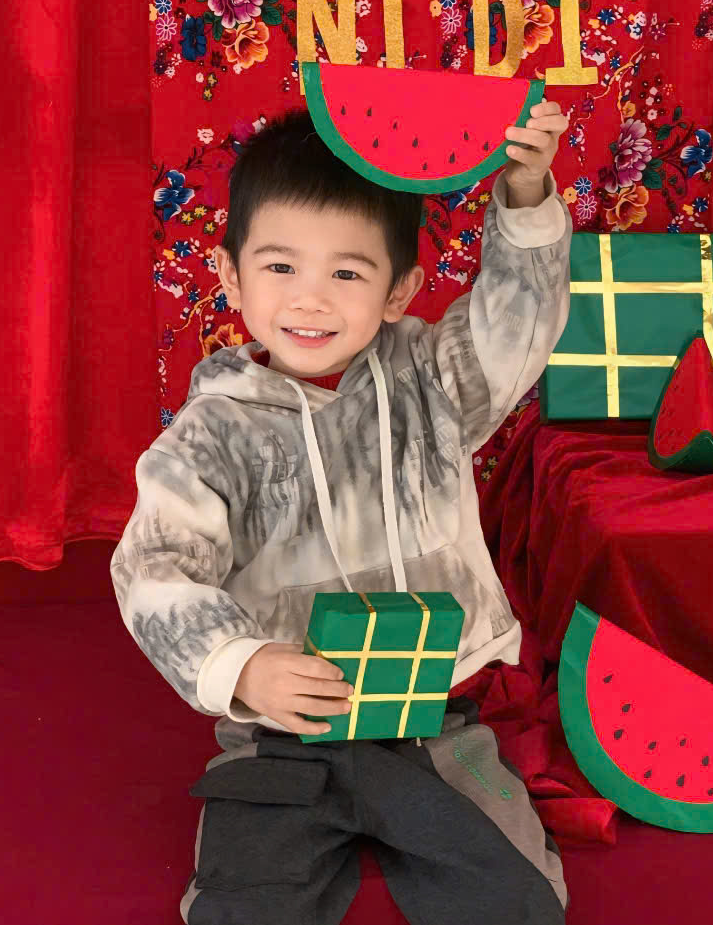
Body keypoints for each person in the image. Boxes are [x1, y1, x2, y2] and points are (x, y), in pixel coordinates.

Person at [111, 94, 573, 925]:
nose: (311, 300)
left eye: (347, 273)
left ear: (399, 290)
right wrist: (243, 664)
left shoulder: (435, 382)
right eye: (281, 267)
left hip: (437, 713)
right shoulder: (213, 432)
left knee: (518, 901)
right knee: (243, 909)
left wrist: (528, 193)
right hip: (280, 730)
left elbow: (518, 325)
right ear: (230, 274)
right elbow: (154, 569)